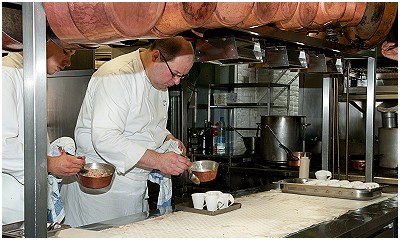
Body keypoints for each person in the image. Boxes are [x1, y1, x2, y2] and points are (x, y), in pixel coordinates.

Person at [61, 36, 194, 227]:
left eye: (182, 76)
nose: (176, 82)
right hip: (102, 191)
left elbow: (147, 124)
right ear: (156, 56)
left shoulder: (159, 80)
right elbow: (106, 138)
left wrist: (168, 137)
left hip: (135, 185)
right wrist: (158, 160)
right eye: (175, 74)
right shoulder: (117, 76)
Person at [2, 40, 86, 225]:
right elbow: (3, 148)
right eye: (65, 51)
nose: (68, 62)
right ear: (44, 40)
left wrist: (54, 156)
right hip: (9, 203)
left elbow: (30, 133)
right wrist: (48, 163)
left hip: (30, 195)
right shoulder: (5, 73)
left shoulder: (32, 74)